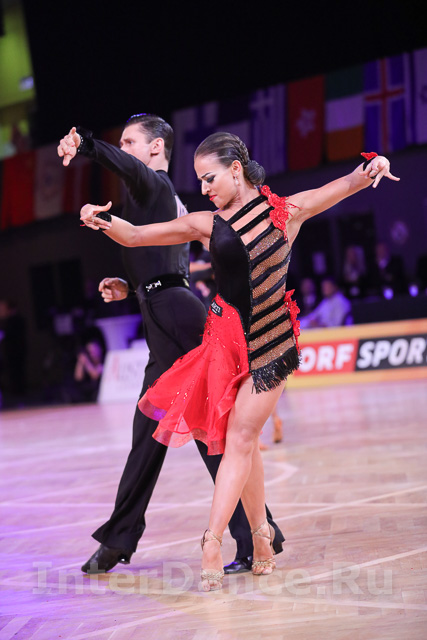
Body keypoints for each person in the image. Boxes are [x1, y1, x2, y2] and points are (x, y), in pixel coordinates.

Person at [80, 135, 399, 591]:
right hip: (224, 345)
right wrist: (101, 220)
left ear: (236, 169)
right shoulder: (207, 224)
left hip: (271, 342)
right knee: (242, 442)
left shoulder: (287, 211)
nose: (204, 187)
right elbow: (136, 236)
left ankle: (212, 542)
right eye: (199, 180)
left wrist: (374, 165)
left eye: (209, 177)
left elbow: (345, 184)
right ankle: (261, 536)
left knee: (240, 438)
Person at [58, 115, 284, 576]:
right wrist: (132, 287)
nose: (125, 150)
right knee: (147, 429)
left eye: (131, 142)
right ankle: (119, 539)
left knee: (212, 426)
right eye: (121, 143)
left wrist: (87, 145)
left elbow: (126, 169)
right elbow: (168, 265)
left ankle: (257, 533)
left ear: (156, 147)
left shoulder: (153, 182)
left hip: (176, 318)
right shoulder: (161, 198)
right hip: (164, 312)